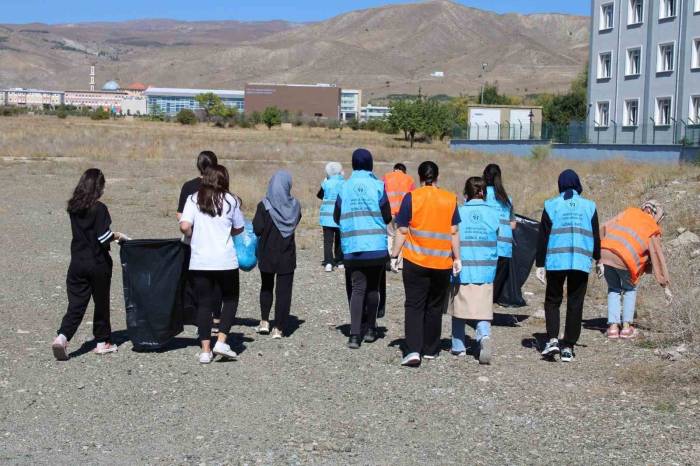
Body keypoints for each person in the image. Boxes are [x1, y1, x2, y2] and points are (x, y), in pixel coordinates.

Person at [391, 161, 462, 366]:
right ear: (437, 176)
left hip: (416, 261)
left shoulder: (412, 197)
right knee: (435, 305)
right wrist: (457, 258)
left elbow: (402, 230)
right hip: (442, 262)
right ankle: (431, 348)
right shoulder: (450, 199)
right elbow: (454, 231)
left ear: (420, 177)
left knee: (414, 305)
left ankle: (413, 349)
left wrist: (394, 255)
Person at [52, 168, 126, 361]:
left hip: (77, 262)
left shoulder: (73, 207)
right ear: (98, 187)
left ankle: (62, 337)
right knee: (101, 303)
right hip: (97, 263)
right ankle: (102, 342)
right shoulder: (99, 208)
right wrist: (117, 236)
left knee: (76, 304)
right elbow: (103, 237)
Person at [179, 165, 245, 364]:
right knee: (231, 299)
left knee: (204, 304)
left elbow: (184, 225)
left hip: (200, 260)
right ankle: (222, 340)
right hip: (225, 260)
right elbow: (239, 228)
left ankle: (205, 350)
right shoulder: (230, 200)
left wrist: (193, 236)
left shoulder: (193, 198)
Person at [535, 169, 601, 363]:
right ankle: (569, 346)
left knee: (553, 300)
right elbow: (595, 235)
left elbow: (543, 237)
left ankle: (553, 339)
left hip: (556, 260)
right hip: (580, 261)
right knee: (575, 302)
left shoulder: (551, 205)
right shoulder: (589, 206)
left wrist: (540, 264)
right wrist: (599, 259)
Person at [334, 149, 392, 349]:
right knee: (373, 288)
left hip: (353, 246)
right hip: (376, 247)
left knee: (357, 288)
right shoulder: (378, 186)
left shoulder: (345, 187)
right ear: (370, 164)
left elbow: (336, 217)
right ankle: (370, 329)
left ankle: (354, 335)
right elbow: (387, 216)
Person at [601, 200, 673, 339]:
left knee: (613, 289)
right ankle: (627, 328)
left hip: (606, 253)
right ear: (657, 215)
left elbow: (605, 227)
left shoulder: (630, 212)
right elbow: (657, 258)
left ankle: (613, 328)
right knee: (629, 289)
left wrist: (598, 257)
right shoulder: (652, 227)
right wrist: (665, 286)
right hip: (625, 260)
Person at [449, 177, 500, 365]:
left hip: (462, 268)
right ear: (484, 192)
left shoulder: (459, 212)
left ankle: (458, 346)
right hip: (485, 269)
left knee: (458, 309)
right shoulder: (494, 214)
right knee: (483, 309)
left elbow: (452, 237)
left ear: (466, 193)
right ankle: (484, 337)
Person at [253, 171, 302, 339]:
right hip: (287, 255)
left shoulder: (263, 205)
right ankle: (279, 328)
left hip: (267, 254)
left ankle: (265, 321)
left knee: (266, 287)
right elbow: (296, 223)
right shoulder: (295, 206)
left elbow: (257, 229)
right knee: (284, 292)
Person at [177, 150, 219, 327]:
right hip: (214, 240)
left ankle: (191, 313)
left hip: (191, 239)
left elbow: (180, 215)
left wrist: (191, 232)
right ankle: (215, 314)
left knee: (190, 277)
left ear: (198, 166)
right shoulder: (220, 186)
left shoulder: (188, 187)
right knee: (215, 279)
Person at [483, 164, 516, 304]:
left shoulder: (480, 196)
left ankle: (478, 314)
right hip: (504, 247)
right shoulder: (507, 199)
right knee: (496, 284)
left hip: (484, 246)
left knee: (482, 282)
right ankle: (487, 313)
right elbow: (513, 225)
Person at [383, 163, 415, 268]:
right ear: (404, 171)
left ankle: (388, 261)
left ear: (394, 169)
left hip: (389, 212)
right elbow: (413, 198)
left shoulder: (386, 177)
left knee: (389, 236)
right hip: (404, 214)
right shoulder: (410, 179)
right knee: (402, 236)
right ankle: (399, 264)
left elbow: (381, 194)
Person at [317, 162, 345, 272]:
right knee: (340, 239)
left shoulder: (326, 183)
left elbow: (320, 195)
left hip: (327, 217)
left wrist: (324, 182)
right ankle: (340, 261)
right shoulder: (344, 183)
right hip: (340, 216)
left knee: (328, 241)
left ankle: (328, 263)